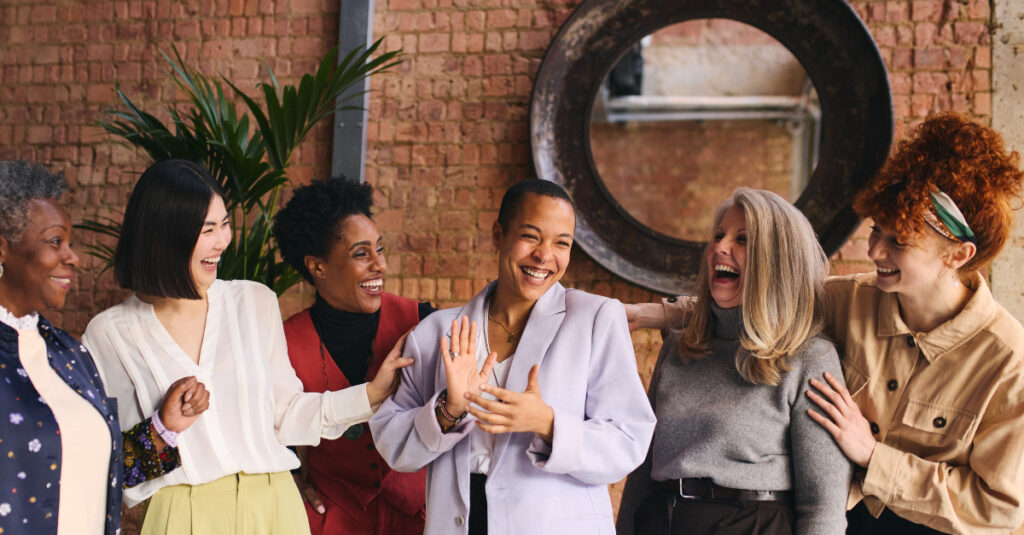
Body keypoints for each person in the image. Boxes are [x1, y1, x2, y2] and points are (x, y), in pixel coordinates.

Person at [82, 159, 412, 535]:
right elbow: (114, 469)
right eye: (208, 229)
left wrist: (371, 394)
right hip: (182, 514)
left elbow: (287, 414)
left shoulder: (253, 302)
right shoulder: (110, 334)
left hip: (275, 508)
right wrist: (164, 427)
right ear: (165, 234)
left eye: (224, 224)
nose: (223, 241)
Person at [369, 179, 656, 535]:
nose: (544, 255)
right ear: (498, 235)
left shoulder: (596, 318)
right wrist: (448, 410)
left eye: (561, 243)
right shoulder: (436, 332)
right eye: (531, 236)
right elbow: (394, 446)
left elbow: (628, 441)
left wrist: (547, 423)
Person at [805, 112, 1024, 534]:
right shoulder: (847, 300)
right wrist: (668, 311)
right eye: (876, 230)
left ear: (957, 255)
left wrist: (874, 457)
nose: (874, 252)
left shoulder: (1008, 361)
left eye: (899, 241)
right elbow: (764, 309)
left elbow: (998, 507)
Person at [616, 188, 852, 535]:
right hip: (660, 521)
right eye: (718, 236)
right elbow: (641, 473)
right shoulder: (679, 347)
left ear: (777, 260)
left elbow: (823, 505)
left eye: (742, 239)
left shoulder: (810, 358)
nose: (720, 247)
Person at [0, 160, 207, 535]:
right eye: (55, 241)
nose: (73, 257)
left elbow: (104, 474)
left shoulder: (69, 355)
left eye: (70, 244)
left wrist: (164, 428)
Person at [272, 178, 433, 535]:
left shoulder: (422, 321)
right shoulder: (284, 341)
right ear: (318, 267)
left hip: (419, 517)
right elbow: (266, 430)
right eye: (362, 254)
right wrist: (290, 478)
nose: (380, 265)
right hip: (331, 519)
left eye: (380, 249)